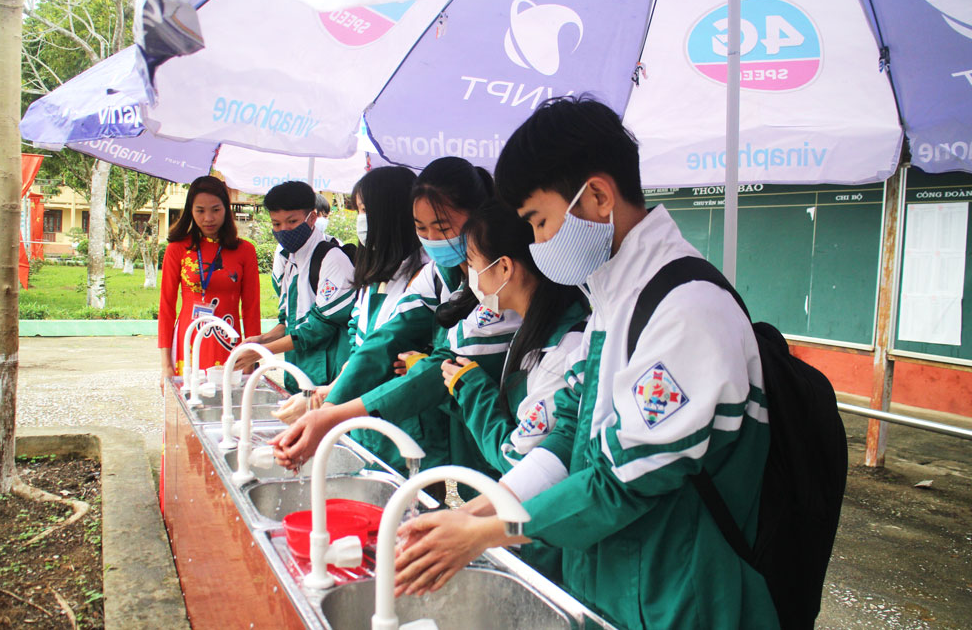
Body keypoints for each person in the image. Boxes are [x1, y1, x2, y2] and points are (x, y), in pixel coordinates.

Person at [393, 98, 778, 629]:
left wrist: (485, 532)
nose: (535, 243)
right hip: (615, 588)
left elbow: (620, 484)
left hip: (680, 602)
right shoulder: (614, 299)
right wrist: (476, 511)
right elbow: (568, 431)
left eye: (541, 221)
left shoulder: (687, 311)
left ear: (596, 196)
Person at [270, 158, 517, 483]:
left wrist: (332, 413)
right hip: (436, 421)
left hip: (492, 426)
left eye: (442, 228)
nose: (432, 239)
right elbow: (385, 340)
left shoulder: (494, 280)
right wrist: (330, 402)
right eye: (421, 228)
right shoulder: (436, 274)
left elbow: (439, 367)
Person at [438, 200, 589, 579]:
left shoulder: (562, 349)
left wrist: (471, 389)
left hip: (545, 549)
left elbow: (519, 457)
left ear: (503, 267)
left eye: (472, 264)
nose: (470, 275)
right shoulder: (532, 327)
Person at [273, 166, 429, 472]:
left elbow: (383, 348)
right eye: (359, 210)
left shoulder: (425, 275)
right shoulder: (373, 277)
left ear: (391, 212)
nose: (361, 220)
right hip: (362, 416)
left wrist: (329, 402)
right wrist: (328, 392)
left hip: (404, 420)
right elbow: (359, 344)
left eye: (365, 210)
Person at [234, 181, 354, 392]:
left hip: (326, 380)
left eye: (292, 221)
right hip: (298, 373)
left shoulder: (331, 259)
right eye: (276, 224)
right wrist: (262, 339)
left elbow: (319, 328)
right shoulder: (290, 260)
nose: (284, 230)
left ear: (312, 218)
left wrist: (264, 351)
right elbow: (288, 321)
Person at [158, 175, 260, 392]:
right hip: (189, 341)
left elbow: (251, 309)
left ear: (226, 209)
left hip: (229, 341)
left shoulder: (245, 251)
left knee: (227, 409)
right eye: (200, 211)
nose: (208, 218)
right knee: (189, 405)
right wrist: (165, 364)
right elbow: (166, 307)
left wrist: (251, 355)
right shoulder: (177, 249)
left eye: (216, 209)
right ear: (190, 211)